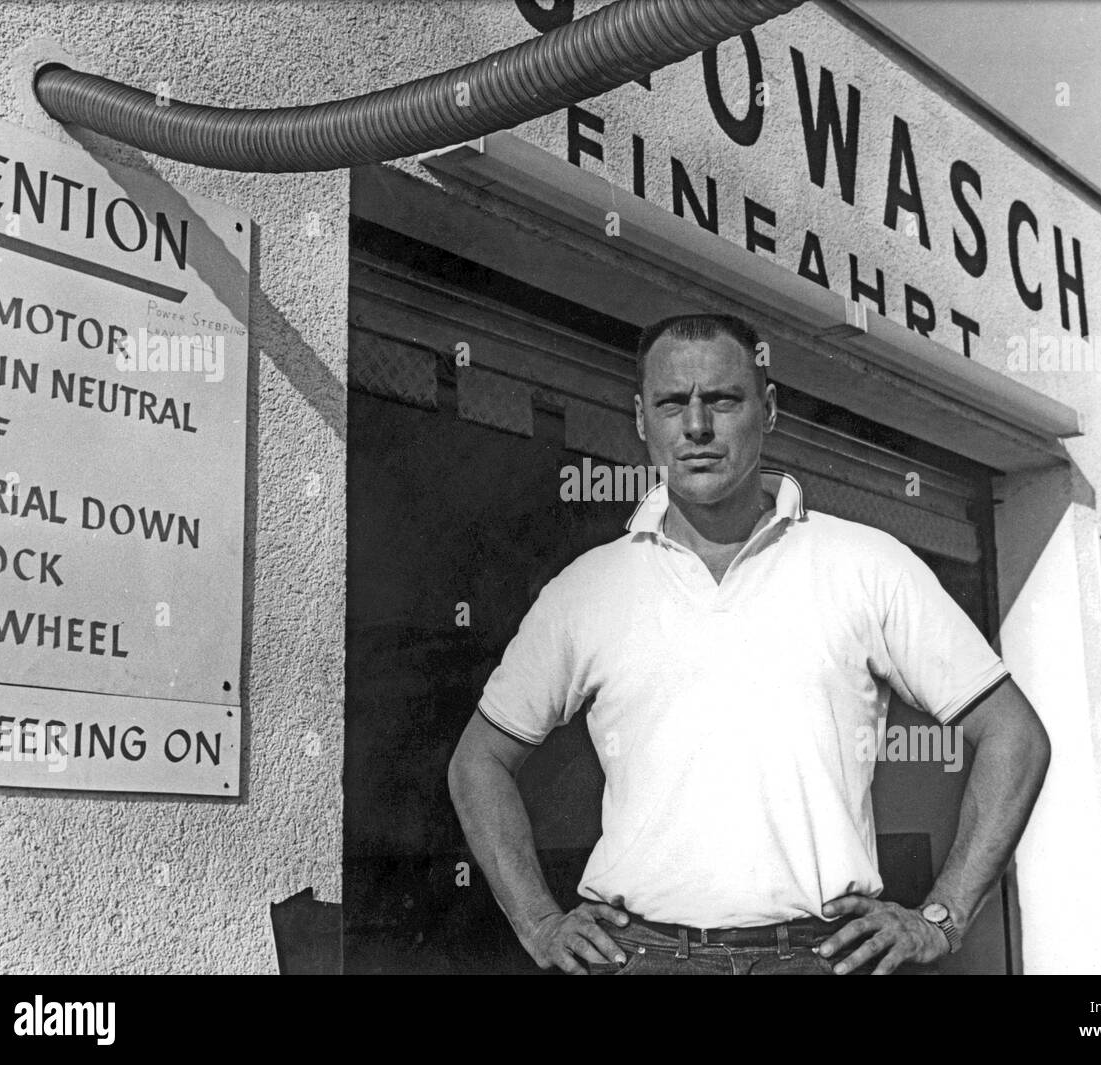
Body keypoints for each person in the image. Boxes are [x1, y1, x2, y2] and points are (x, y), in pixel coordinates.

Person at [448, 312, 1051, 975]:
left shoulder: (866, 564)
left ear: (766, 410)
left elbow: (1013, 735)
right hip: (642, 959)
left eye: (723, 399)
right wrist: (538, 922)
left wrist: (943, 914)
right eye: (673, 402)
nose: (697, 426)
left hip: (818, 957)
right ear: (643, 418)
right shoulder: (587, 589)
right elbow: (478, 761)